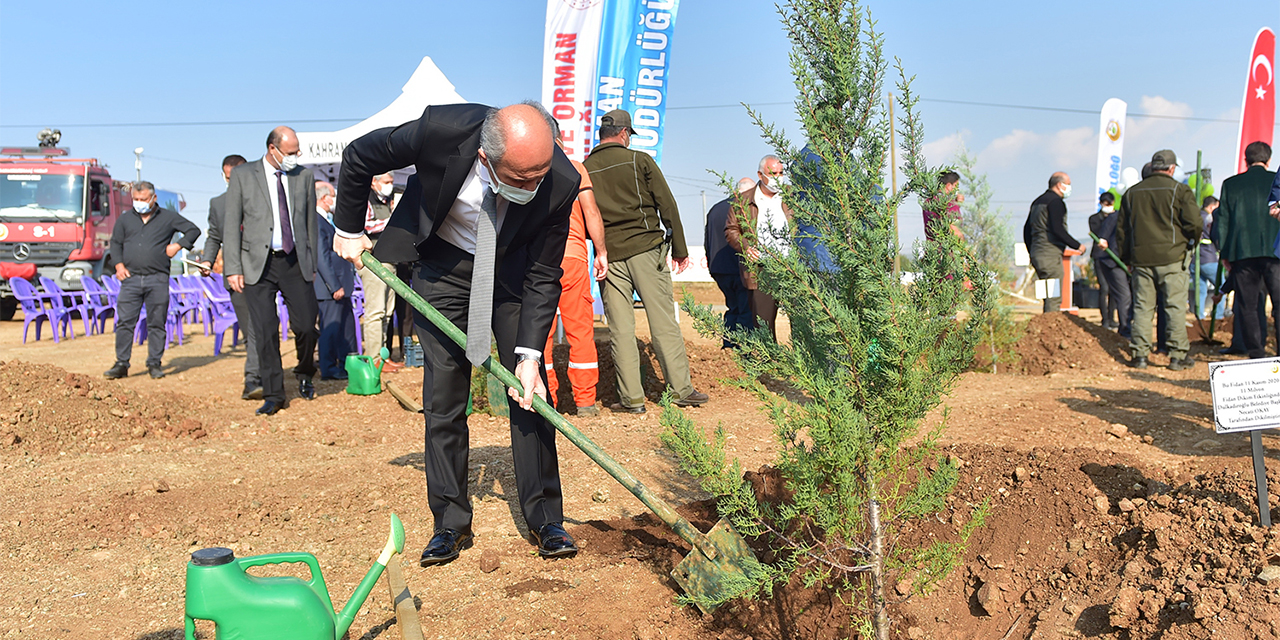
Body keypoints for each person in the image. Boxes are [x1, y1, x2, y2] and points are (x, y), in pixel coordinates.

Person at [332, 101, 581, 563]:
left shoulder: (560, 180)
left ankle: (546, 517)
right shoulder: (439, 130)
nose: (536, 185)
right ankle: (449, 521)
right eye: (523, 179)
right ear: (486, 158)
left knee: (529, 395)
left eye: (541, 174)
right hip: (443, 267)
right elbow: (360, 155)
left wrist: (528, 355)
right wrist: (346, 227)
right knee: (443, 398)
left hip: (511, 274)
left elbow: (544, 272)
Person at [584, 109, 709, 412]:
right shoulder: (639, 160)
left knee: (620, 329)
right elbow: (667, 204)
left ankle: (632, 400)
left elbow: (585, 215)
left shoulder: (584, 169)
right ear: (625, 134)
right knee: (662, 322)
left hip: (609, 256)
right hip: (645, 250)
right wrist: (679, 247)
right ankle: (681, 390)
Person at [223, 126, 320, 415]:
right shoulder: (243, 176)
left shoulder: (303, 176)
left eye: (297, 151)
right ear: (272, 149)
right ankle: (274, 393)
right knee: (265, 331)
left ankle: (305, 370)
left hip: (294, 261)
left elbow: (310, 225)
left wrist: (312, 263)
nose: (296, 156)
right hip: (257, 264)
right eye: (291, 152)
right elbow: (232, 224)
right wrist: (232, 268)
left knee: (305, 326)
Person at [539, 123, 608, 417]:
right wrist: (602, 252)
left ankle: (546, 401)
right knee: (580, 331)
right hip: (573, 258)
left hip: (537, 261)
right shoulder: (576, 168)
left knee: (538, 334)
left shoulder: (528, 167)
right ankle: (586, 402)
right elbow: (591, 211)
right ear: (560, 139)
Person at [104, 181, 201, 380]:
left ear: (153, 198)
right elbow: (115, 243)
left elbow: (193, 230)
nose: (139, 203)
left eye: (143, 199)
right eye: (136, 199)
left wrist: (178, 245)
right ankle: (121, 363)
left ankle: (154, 363)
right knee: (125, 323)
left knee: (157, 323)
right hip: (130, 280)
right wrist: (119, 265)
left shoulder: (168, 217)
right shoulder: (125, 219)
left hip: (157, 279)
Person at [1116, 150, 1202, 370]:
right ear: (1172, 169)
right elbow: (1194, 224)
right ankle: (1177, 356)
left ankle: (1140, 356)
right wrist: (1191, 242)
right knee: (1174, 307)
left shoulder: (1131, 193)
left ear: (1153, 167)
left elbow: (1122, 231)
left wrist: (1126, 258)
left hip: (1141, 259)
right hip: (1173, 258)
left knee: (1142, 308)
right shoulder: (1179, 190)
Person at [198, 154, 262, 400]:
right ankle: (254, 378)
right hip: (236, 277)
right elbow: (214, 235)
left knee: (267, 327)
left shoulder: (264, 199)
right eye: (227, 179)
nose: (231, 183)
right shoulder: (218, 204)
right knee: (251, 329)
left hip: (266, 271)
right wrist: (207, 259)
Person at [1216, 142, 1280, 359]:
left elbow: (1222, 220)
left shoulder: (1231, 184)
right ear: (1268, 160)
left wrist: (1225, 253)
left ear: (1246, 160)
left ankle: (1257, 354)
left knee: (1248, 305)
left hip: (1242, 252)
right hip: (1276, 253)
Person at [726, 155, 792, 340]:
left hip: (792, 268)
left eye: (781, 173)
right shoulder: (743, 201)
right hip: (761, 271)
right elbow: (731, 230)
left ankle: (802, 366)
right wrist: (745, 247)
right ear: (760, 175)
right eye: (772, 174)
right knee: (763, 326)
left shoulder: (793, 196)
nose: (777, 177)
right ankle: (769, 368)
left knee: (802, 321)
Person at [358, 172, 403, 372]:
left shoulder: (387, 201)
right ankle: (374, 358)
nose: (390, 185)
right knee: (375, 312)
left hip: (389, 261)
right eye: (386, 182)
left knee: (387, 312)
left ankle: (383, 355)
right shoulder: (366, 199)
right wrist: (393, 219)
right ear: (374, 182)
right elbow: (365, 225)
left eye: (392, 182)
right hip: (374, 262)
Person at [706, 177, 756, 348]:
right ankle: (744, 348)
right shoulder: (744, 209)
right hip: (740, 267)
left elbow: (708, 241)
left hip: (719, 269)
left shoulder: (715, 209)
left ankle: (728, 345)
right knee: (745, 310)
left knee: (732, 307)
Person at [314, 181, 357, 380]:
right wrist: (334, 285)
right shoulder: (316, 221)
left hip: (341, 284)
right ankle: (328, 368)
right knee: (330, 329)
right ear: (324, 199)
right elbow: (321, 257)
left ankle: (343, 364)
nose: (336, 199)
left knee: (343, 327)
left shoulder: (328, 220)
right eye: (333, 195)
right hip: (330, 287)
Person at [1023, 172, 1082, 312]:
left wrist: (1031, 251)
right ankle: (1049, 327)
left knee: (1046, 294)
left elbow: (1026, 230)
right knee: (1054, 296)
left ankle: (1044, 324)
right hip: (1050, 253)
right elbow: (1057, 229)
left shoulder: (1037, 202)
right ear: (1059, 185)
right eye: (1068, 184)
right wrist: (1077, 245)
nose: (1069, 188)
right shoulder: (1056, 202)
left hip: (1037, 253)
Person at [1088, 192, 1130, 336]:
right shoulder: (1098, 219)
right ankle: (1106, 320)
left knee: (1115, 292)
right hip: (1106, 259)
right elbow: (1101, 236)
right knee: (1105, 289)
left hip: (1115, 260)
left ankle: (1112, 319)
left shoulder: (1118, 216)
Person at [1194, 196, 1225, 320]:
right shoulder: (1209, 218)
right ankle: (1218, 315)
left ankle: (1199, 316)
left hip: (1195, 260)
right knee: (1221, 286)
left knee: (1200, 289)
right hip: (1208, 258)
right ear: (1212, 207)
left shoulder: (1196, 216)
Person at [923, 170, 963, 242]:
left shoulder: (928, 201)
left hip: (932, 249)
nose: (957, 190)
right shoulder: (949, 204)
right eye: (955, 186)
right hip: (948, 251)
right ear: (948, 186)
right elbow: (954, 231)